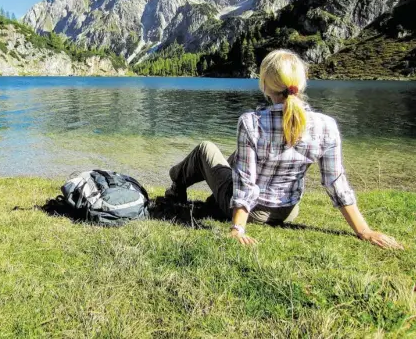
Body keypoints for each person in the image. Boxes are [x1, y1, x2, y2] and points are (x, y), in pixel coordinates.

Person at [165, 49, 403, 249]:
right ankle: (207, 200)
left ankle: (176, 185)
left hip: (253, 211)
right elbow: (335, 182)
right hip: (288, 212)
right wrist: (364, 230)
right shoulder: (326, 126)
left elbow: (247, 182)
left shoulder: (251, 122)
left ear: (266, 87)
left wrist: (238, 228)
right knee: (237, 157)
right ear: (301, 84)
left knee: (205, 149)